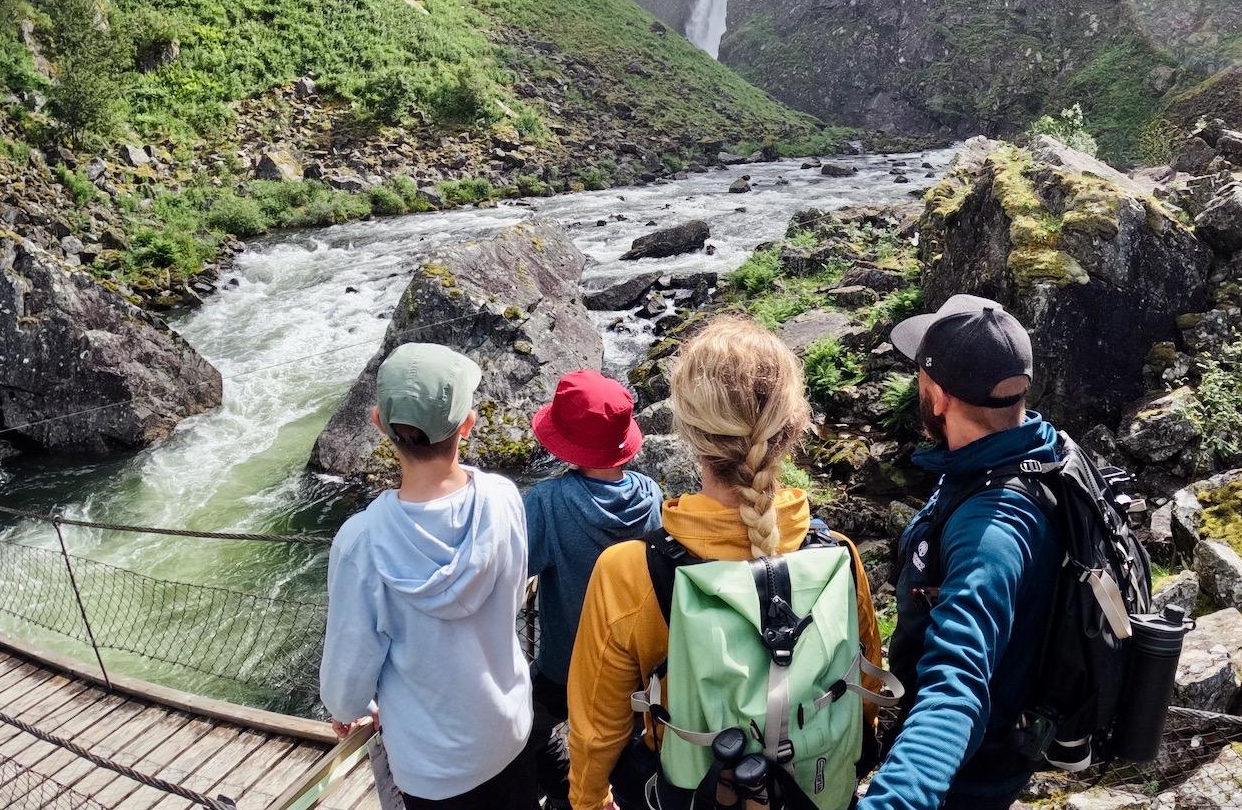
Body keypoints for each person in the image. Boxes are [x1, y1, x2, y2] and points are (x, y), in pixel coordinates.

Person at [565, 315, 884, 810]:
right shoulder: (837, 553)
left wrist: (588, 799)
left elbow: (596, 727)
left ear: (689, 432)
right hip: (818, 786)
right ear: (792, 426)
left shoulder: (629, 571)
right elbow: (863, 682)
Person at [860, 295, 1063, 810]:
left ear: (940, 395)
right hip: (1004, 741)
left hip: (965, 779)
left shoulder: (988, 533)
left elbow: (956, 687)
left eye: (920, 377)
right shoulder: (1034, 453)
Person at [320, 342, 535, 810]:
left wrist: (350, 711)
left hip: (433, 766)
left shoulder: (360, 541)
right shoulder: (503, 498)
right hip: (508, 731)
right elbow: (514, 597)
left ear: (378, 424)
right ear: (467, 426)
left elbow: (347, 677)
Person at [521, 370, 664, 807]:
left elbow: (516, 566)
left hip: (565, 665)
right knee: (623, 742)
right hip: (633, 668)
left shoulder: (547, 501)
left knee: (526, 731)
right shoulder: (650, 494)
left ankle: (563, 795)